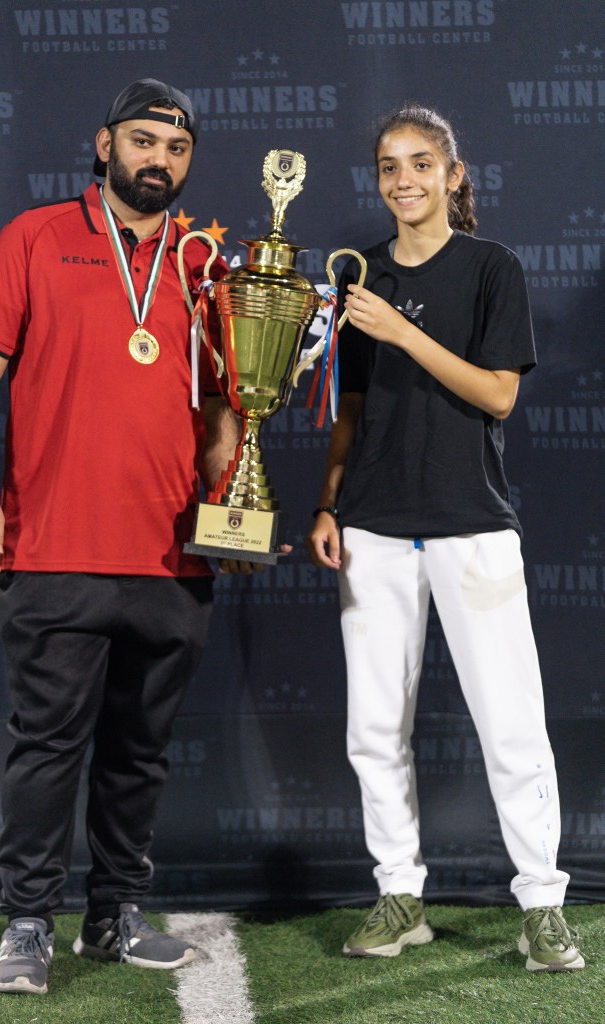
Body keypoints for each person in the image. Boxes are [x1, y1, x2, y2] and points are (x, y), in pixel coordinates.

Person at [0, 78, 243, 995]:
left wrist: (232, 504)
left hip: (172, 555)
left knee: (138, 752)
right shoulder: (35, 237)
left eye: (177, 148)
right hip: (54, 546)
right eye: (144, 141)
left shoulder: (204, 262)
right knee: (48, 746)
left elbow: (227, 406)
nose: (160, 159)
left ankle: (114, 913)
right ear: (105, 143)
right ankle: (28, 920)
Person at [307, 105, 584, 972]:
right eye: (389, 166)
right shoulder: (359, 276)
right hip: (373, 529)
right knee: (373, 728)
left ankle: (541, 903)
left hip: (472, 526)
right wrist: (328, 503)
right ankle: (399, 895)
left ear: (453, 175)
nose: (404, 180)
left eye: (421, 163)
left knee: (511, 725)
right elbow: (350, 408)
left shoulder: (491, 267)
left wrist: (400, 330)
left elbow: (497, 394)